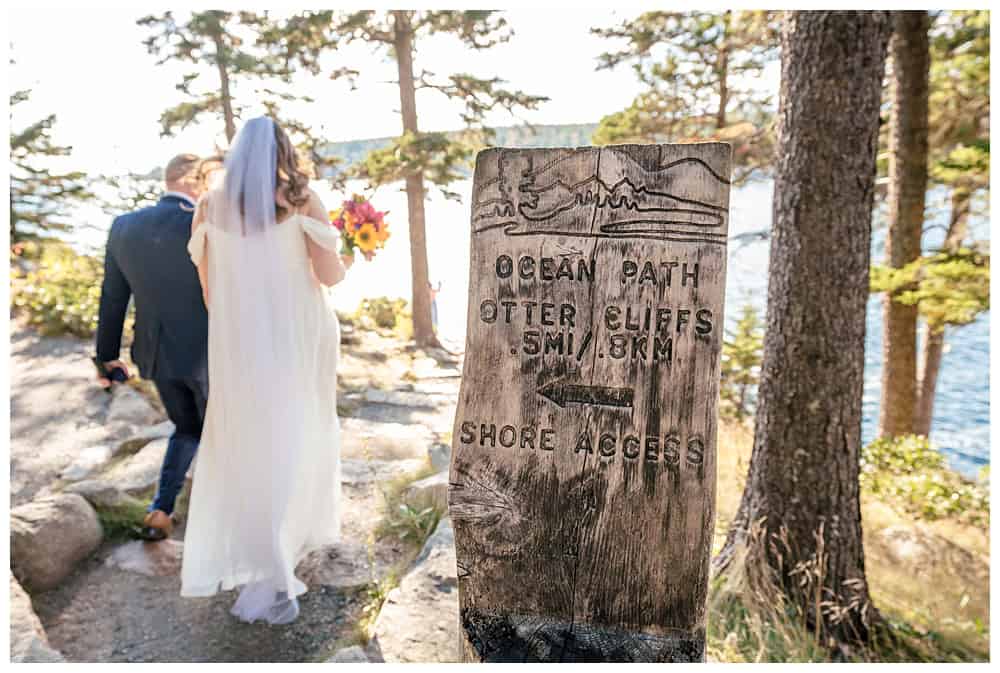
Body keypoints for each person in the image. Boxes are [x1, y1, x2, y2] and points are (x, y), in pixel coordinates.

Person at [181, 116, 353, 625]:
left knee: (250, 441)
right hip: (298, 340)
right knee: (298, 431)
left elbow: (211, 294)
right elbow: (329, 275)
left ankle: (260, 546)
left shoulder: (207, 209)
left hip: (238, 347)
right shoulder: (302, 200)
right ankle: (284, 544)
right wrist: (350, 255)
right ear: (283, 151)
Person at [95, 153, 209, 541]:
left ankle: (161, 508)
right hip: (210, 352)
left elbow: (113, 298)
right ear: (195, 181)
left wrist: (105, 356)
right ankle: (221, 520)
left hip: (156, 353)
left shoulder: (125, 226)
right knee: (221, 432)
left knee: (186, 427)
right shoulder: (204, 222)